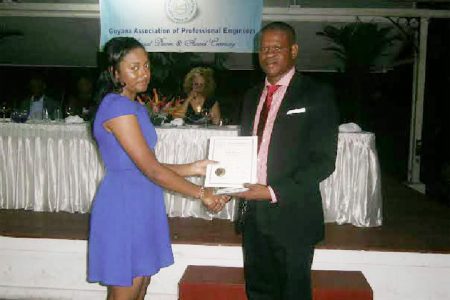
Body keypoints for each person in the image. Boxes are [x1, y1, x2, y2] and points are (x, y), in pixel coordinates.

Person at [87, 37, 229, 300]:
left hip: (143, 200)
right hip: (124, 206)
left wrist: (194, 167)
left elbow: (143, 165)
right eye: (134, 67)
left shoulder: (133, 106)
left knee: (140, 289)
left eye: (146, 65)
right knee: (126, 293)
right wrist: (202, 193)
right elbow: (151, 170)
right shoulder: (116, 107)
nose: (144, 73)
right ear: (114, 72)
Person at [235, 22, 338, 300]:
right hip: (253, 215)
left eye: (277, 48)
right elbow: (246, 151)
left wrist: (271, 191)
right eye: (264, 48)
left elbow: (323, 160)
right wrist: (228, 184)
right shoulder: (250, 96)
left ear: (294, 50)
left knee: (293, 293)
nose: (269, 54)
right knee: (258, 290)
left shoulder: (316, 94)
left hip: (293, 215)